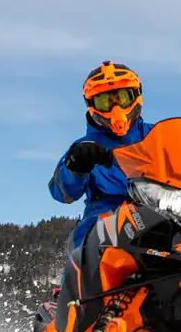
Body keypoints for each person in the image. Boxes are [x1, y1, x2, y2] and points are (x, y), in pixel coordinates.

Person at [49, 60, 152, 249]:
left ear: (136, 96)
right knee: (86, 248)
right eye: (105, 102)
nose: (116, 110)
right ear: (92, 105)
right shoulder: (84, 146)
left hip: (161, 206)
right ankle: (80, 276)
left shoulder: (157, 136)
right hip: (106, 216)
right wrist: (74, 167)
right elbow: (61, 193)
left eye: (122, 98)